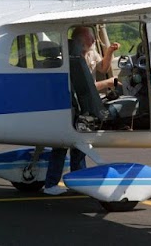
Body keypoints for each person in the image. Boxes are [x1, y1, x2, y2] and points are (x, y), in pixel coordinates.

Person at [43, 26, 121, 195]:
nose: (93, 41)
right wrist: (108, 83)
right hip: (74, 105)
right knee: (62, 144)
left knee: (77, 144)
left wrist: (109, 52)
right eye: (89, 38)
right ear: (79, 40)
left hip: (81, 105)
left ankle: (77, 180)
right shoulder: (71, 59)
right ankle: (52, 184)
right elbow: (83, 88)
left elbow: (102, 68)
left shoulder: (91, 53)